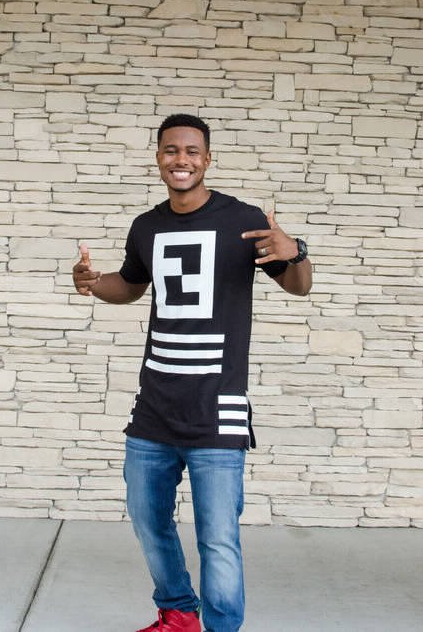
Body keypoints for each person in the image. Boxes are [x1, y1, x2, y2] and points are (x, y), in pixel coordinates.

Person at [72, 113, 312, 632]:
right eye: (171, 150)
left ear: (207, 158)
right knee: (146, 519)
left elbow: (298, 285)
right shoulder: (147, 226)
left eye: (191, 151)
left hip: (217, 408)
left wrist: (297, 252)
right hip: (155, 406)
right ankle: (178, 612)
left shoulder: (243, 219)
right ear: (158, 157)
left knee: (217, 537)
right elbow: (130, 285)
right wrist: (92, 282)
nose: (181, 160)